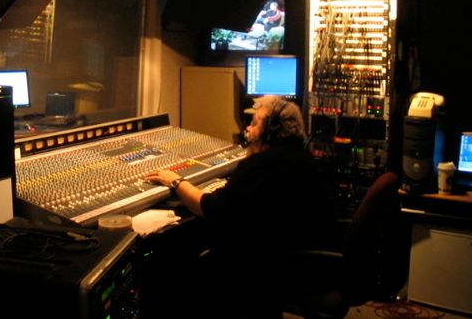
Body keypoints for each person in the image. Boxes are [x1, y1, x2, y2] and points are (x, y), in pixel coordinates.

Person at [144, 95, 339, 318]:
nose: (248, 128)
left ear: (270, 132)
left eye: (254, 123)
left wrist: (176, 181)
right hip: (313, 265)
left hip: (288, 269)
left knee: (190, 271)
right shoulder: (301, 159)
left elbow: (208, 207)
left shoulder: (263, 165)